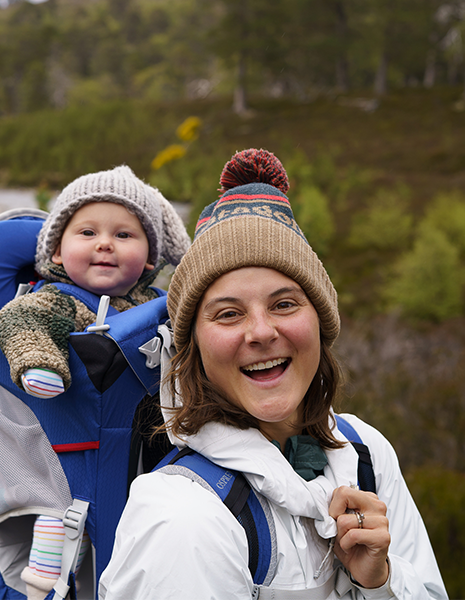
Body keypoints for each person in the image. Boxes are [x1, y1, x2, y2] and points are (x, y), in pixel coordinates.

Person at [98, 149, 448, 599]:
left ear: (320, 324)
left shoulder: (365, 455)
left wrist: (379, 581)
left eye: (284, 304)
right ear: (193, 349)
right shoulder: (183, 516)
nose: (261, 332)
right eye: (228, 314)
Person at [0, 164, 191, 599]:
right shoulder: (60, 299)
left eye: (124, 235)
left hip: (145, 446)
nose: (105, 243)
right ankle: (45, 585)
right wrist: (39, 363)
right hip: (73, 445)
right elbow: (21, 319)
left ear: (151, 258)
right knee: (64, 522)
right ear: (58, 253)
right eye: (87, 233)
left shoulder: (157, 304)